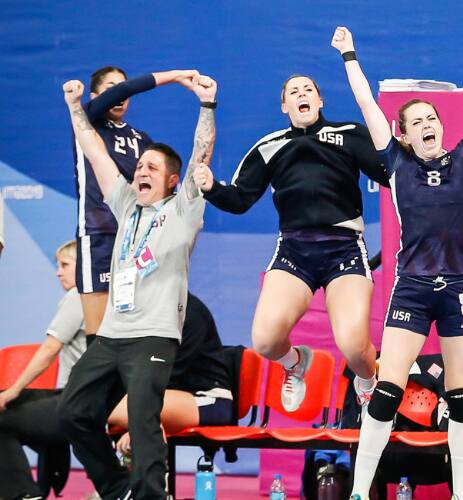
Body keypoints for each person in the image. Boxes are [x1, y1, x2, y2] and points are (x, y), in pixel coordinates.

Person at [331, 18, 463, 499]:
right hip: (413, 290)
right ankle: (359, 491)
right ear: (402, 135)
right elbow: (366, 103)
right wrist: (348, 54)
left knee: (461, 398)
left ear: (442, 127)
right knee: (386, 392)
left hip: (459, 288)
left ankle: (462, 493)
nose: (427, 126)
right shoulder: (397, 164)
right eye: (416, 122)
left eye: (432, 119)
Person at [57, 72, 216, 499]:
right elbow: (95, 151)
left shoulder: (183, 209)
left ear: (171, 181)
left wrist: (206, 105)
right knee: (72, 412)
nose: (141, 171)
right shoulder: (127, 205)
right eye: (139, 165)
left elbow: (201, 154)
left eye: (152, 168)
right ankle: (116, 489)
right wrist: (74, 108)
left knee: (143, 422)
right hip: (112, 336)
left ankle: (149, 495)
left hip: (153, 336)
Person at [193, 74, 389, 414]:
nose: (302, 94)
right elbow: (239, 199)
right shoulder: (270, 146)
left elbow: (390, 173)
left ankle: (368, 381)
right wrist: (211, 188)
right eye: (293, 92)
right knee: (266, 341)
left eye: (308, 89)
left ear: (320, 101)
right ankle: (295, 363)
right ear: (285, 106)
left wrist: (410, 152)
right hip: (294, 252)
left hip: (343, 250)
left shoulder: (349, 135)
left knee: (355, 349)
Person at [74, 66, 199, 341]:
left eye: (123, 89)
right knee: (99, 336)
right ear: (94, 97)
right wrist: (175, 76)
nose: (120, 95)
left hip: (136, 238)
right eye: (111, 89)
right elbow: (126, 89)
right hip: (98, 234)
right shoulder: (87, 120)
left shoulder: (142, 140)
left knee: (135, 327)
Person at [0, 240, 86, 500]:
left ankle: (23, 494)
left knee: (3, 415)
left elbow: (49, 350)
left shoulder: (78, 297)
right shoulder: (96, 297)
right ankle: (47, 467)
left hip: (78, 399)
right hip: (76, 394)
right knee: (9, 402)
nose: (58, 272)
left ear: (83, 266)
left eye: (65, 265)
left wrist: (13, 391)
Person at [110, 292, 235, 458]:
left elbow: (169, 375)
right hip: (163, 396)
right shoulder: (145, 312)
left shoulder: (189, 311)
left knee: (114, 405)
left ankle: (152, 461)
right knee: (100, 400)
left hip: (208, 400)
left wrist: (139, 422)